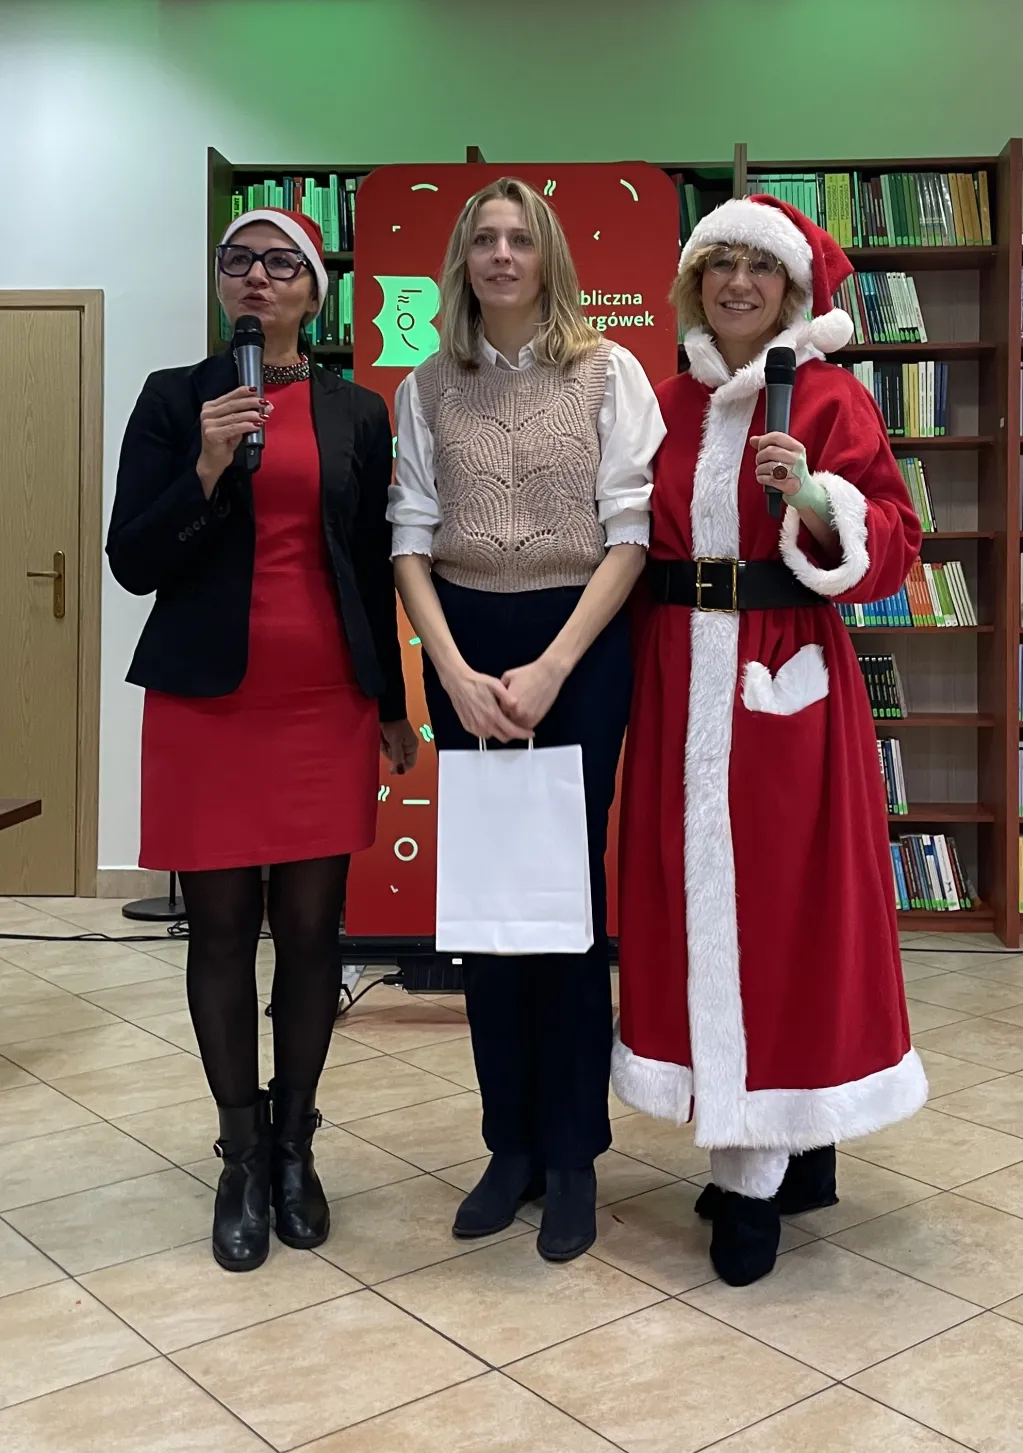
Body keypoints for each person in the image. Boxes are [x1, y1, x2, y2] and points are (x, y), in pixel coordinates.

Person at [613, 195, 927, 1287]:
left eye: (759, 267)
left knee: (780, 913)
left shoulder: (831, 397)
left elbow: (893, 547)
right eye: (719, 264)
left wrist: (818, 496)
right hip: (678, 680)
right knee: (692, 906)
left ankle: (756, 1172)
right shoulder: (666, 403)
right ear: (693, 283)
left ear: (791, 288)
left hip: (783, 683)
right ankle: (774, 1142)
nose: (737, 283)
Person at [107, 207, 417, 1273]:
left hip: (323, 698)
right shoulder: (173, 399)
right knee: (222, 929)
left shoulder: (356, 410)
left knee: (314, 930)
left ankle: (295, 1146)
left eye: (282, 263)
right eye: (238, 259)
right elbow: (132, 561)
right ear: (220, 281)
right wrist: (203, 466)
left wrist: (390, 702)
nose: (257, 276)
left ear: (314, 291)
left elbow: (371, 564)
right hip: (206, 704)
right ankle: (239, 1155)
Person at [389, 176, 665, 1262]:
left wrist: (554, 664)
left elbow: (630, 535)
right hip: (464, 647)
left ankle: (574, 1154)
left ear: (549, 257)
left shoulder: (608, 371)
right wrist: (452, 672)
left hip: (577, 651)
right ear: (462, 261)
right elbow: (410, 538)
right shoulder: (425, 386)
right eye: (484, 240)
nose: (501, 255)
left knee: (564, 904)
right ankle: (509, 1145)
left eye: (520, 239)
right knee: (489, 911)